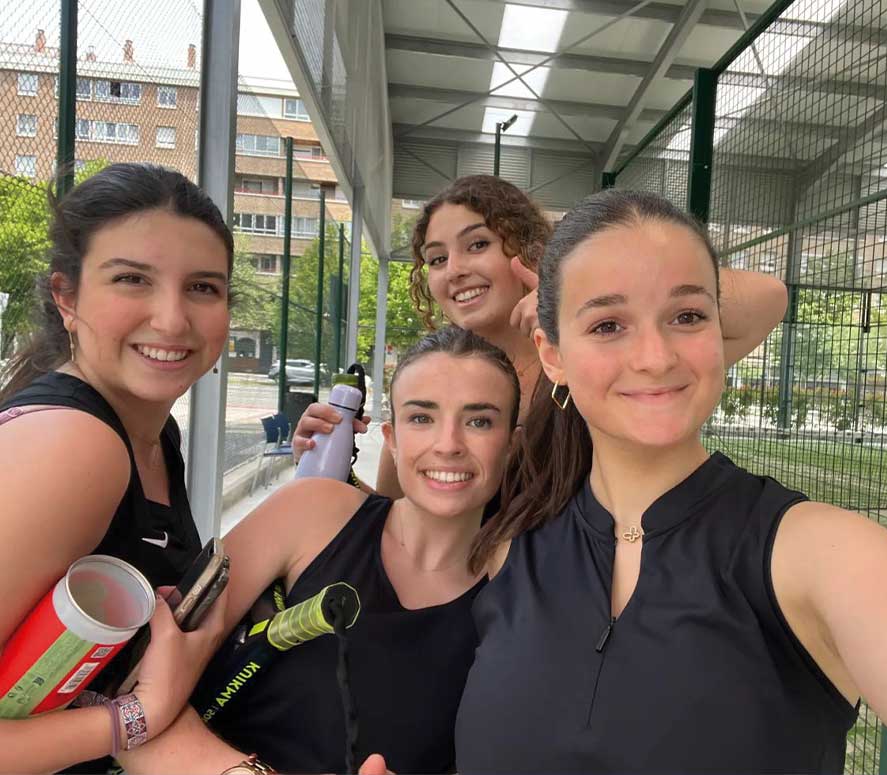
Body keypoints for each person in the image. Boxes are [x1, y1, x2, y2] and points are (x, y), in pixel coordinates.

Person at [368, 189, 887, 774]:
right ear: (554, 354)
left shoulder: (817, 554)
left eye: (687, 316)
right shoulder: (508, 551)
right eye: (607, 324)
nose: (655, 357)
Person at [118, 326, 520, 775]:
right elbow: (134, 688)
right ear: (391, 438)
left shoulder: (523, 590)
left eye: (479, 421)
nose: (448, 444)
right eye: (422, 418)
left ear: (511, 444)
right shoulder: (313, 513)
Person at [293, 175, 789, 498]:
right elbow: (398, 510)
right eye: (437, 258)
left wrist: (567, 300)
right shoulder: (434, 375)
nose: (456, 270)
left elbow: (769, 298)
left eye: (477, 245)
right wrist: (332, 474)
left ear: (527, 248)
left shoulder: (599, 358)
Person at [0, 163, 230, 774]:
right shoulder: (75, 446)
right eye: (133, 279)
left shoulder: (153, 433)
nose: (173, 319)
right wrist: (139, 716)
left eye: (203, 287)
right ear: (66, 297)